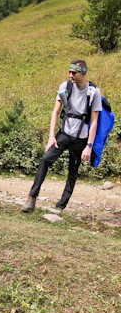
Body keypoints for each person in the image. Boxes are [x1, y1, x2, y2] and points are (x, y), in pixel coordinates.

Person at [22, 59, 101, 213]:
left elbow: (94, 120)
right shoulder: (65, 86)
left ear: (82, 73)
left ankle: (61, 206)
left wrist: (89, 146)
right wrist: (51, 136)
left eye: (74, 72)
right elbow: (56, 111)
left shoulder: (94, 92)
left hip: (81, 138)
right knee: (45, 159)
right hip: (64, 133)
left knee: (73, 171)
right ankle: (31, 198)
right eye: (69, 72)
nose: (70, 75)